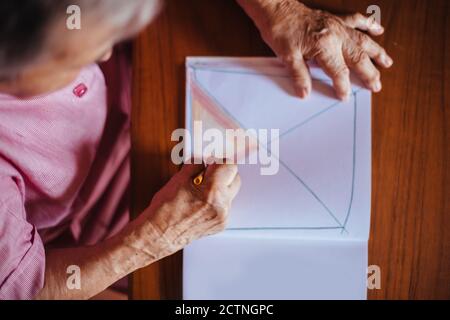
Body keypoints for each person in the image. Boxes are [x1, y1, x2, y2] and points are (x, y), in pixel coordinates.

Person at [0, 0, 392, 299]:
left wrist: (278, 9)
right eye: (77, 54)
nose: (103, 55)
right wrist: (156, 236)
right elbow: (24, 285)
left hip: (141, 89)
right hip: (88, 238)